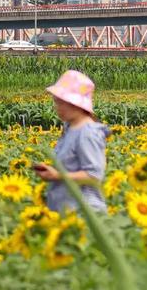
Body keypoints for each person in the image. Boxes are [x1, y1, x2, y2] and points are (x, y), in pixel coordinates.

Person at [33, 70, 108, 214]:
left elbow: (93, 176)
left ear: (75, 103)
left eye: (60, 102)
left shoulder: (87, 133)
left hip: (85, 214)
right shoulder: (70, 128)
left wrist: (57, 175)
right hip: (66, 211)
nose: (57, 107)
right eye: (56, 101)